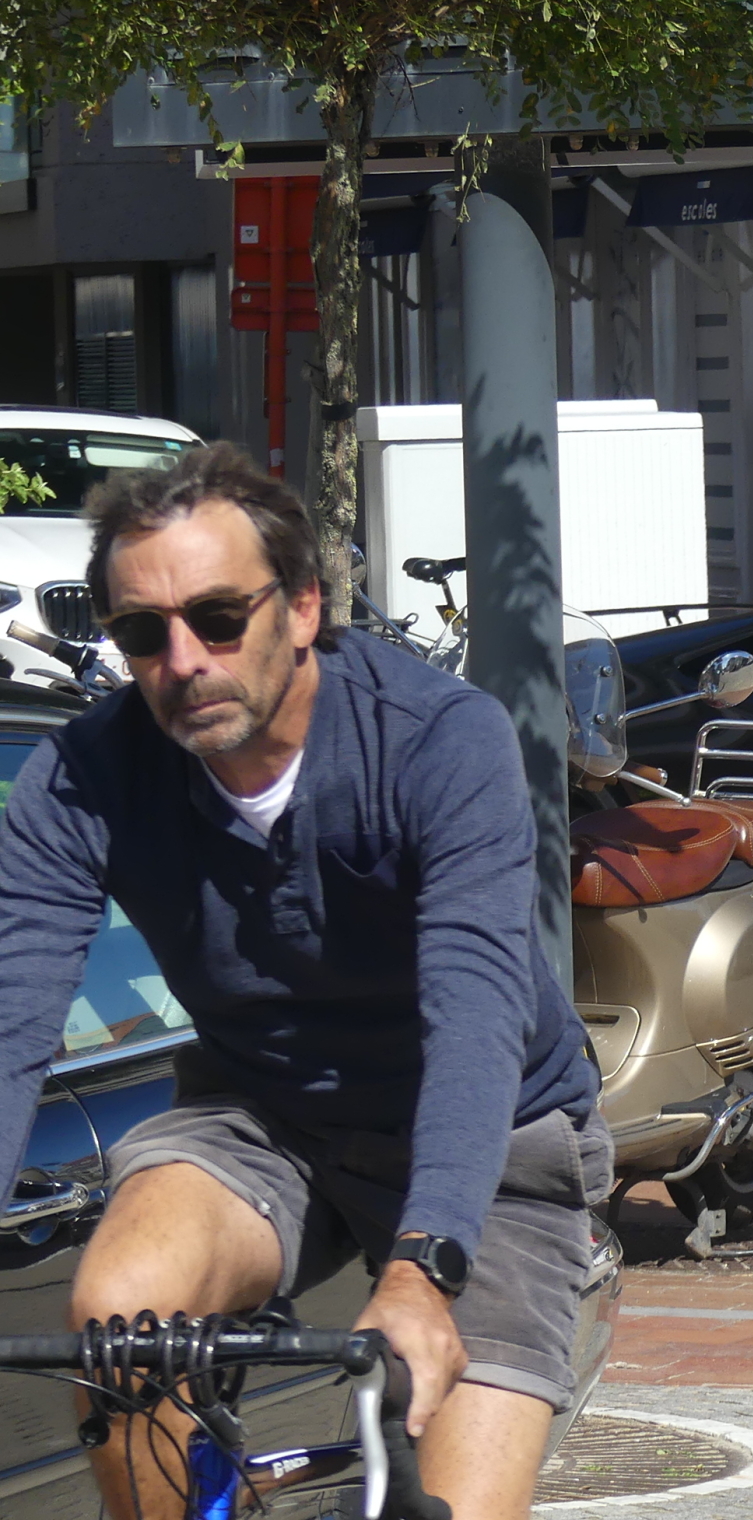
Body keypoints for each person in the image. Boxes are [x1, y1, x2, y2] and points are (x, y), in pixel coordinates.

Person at [0, 444, 606, 1520]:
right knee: (118, 1309)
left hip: (487, 1139)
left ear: (305, 606)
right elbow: (12, 1025)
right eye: (144, 633)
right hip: (261, 1113)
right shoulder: (84, 775)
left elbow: (473, 1016)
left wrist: (423, 1270)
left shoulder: (436, 742)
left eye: (220, 617)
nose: (183, 659)